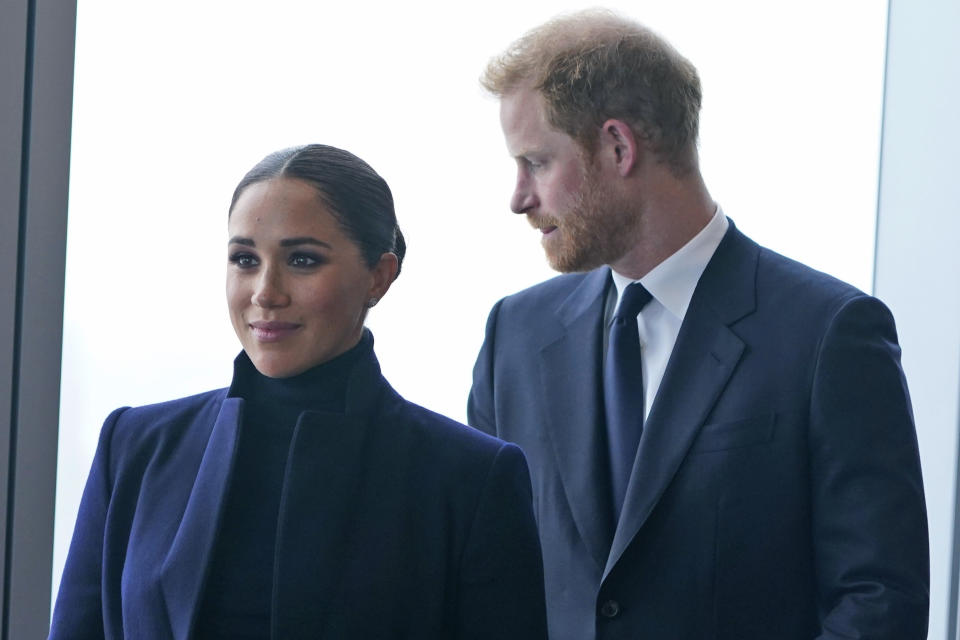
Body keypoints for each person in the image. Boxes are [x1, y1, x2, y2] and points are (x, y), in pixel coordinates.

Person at [468, 9, 929, 640]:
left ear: (618, 147)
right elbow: (482, 585)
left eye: (536, 162)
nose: (519, 197)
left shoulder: (829, 334)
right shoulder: (513, 337)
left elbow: (878, 602)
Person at [51, 144, 547, 639]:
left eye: (303, 260)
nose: (266, 292)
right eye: (245, 259)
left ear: (379, 276)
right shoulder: (135, 444)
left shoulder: (471, 479)